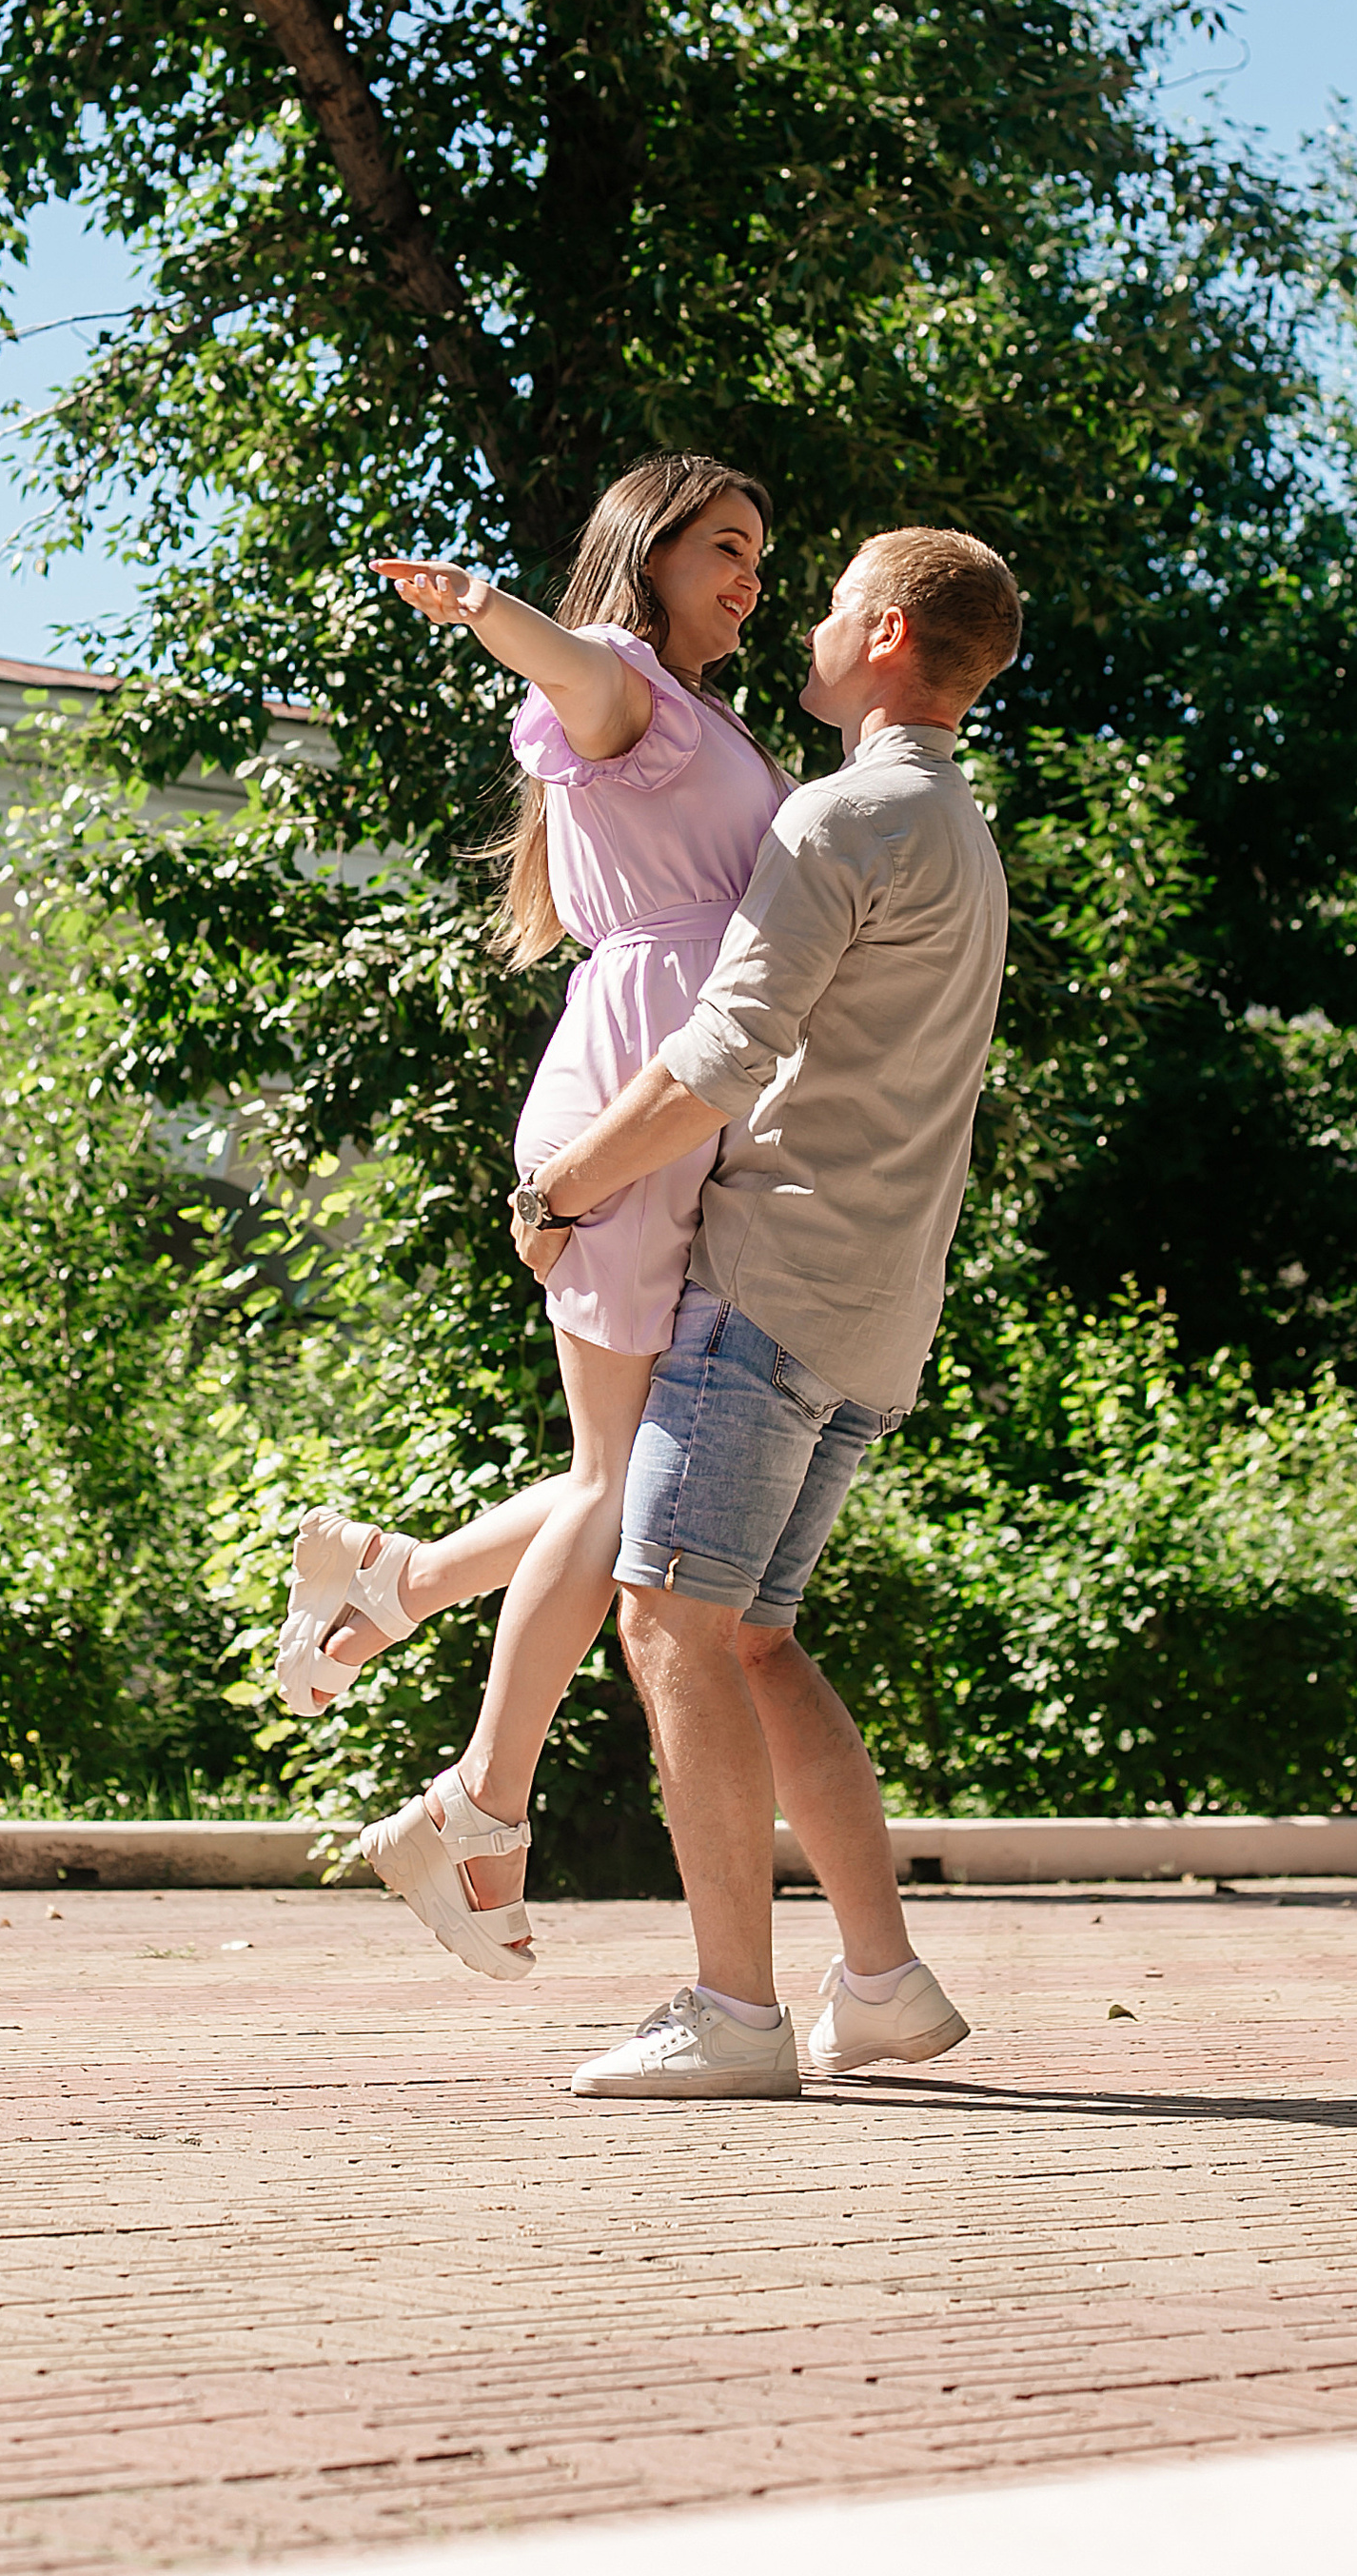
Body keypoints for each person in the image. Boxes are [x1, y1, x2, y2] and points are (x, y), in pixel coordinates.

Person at [508, 526, 1021, 2099]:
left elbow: (723, 1055)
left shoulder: (842, 812)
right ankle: (884, 1985)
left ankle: (735, 2011)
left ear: (885, 635)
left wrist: (562, 1189)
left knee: (667, 1619)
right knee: (754, 1637)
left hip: (772, 1296)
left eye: (831, 602)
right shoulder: (960, 829)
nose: (805, 622)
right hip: (878, 1314)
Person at [271, 451, 786, 1978]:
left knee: (608, 1475)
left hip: (671, 1103)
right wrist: (482, 604)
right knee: (618, 1486)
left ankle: (394, 1586)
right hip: (631, 1103)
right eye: (725, 546)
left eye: (760, 555)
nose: (751, 577)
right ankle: (474, 1806)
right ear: (650, 552)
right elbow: (568, 663)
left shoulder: (705, 716)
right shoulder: (624, 679)